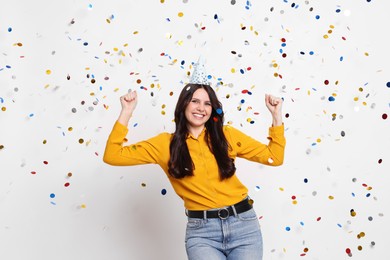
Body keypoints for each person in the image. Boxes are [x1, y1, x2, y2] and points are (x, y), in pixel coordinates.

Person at [103, 59, 286, 260]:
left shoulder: (227, 136)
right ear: (184, 104)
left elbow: (273, 157)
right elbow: (113, 156)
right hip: (202, 233)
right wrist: (126, 112)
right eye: (195, 101)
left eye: (207, 103)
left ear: (213, 109)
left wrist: (276, 117)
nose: (201, 108)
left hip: (244, 227)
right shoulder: (164, 144)